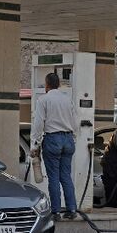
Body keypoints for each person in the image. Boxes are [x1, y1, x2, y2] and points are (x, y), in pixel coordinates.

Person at [31, 73, 80, 220]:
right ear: (58, 84)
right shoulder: (67, 100)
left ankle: (56, 211)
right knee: (66, 175)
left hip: (52, 139)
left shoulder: (43, 100)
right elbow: (75, 121)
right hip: (68, 139)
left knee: (53, 177)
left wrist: (35, 143)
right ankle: (72, 209)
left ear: (47, 84)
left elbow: (39, 123)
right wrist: (73, 138)